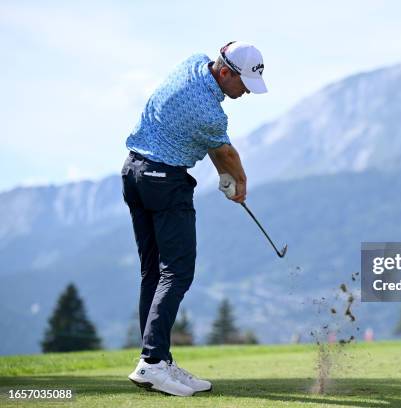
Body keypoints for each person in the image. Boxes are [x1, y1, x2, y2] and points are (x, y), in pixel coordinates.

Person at [120, 41, 267, 397]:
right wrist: (240, 183)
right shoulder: (211, 113)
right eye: (243, 83)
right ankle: (153, 364)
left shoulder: (193, 64)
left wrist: (224, 175)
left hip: (133, 173)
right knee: (177, 271)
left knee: (154, 273)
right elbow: (225, 153)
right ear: (225, 72)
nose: (246, 91)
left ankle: (157, 359)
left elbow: (213, 149)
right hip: (164, 183)